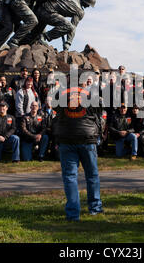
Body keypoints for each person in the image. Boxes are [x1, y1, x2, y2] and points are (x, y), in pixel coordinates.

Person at [53, 86, 103, 221]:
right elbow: (100, 108)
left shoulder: (60, 93)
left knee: (70, 177)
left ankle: (73, 214)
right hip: (87, 137)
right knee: (92, 175)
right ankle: (95, 208)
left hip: (67, 138)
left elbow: (54, 108)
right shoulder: (91, 93)